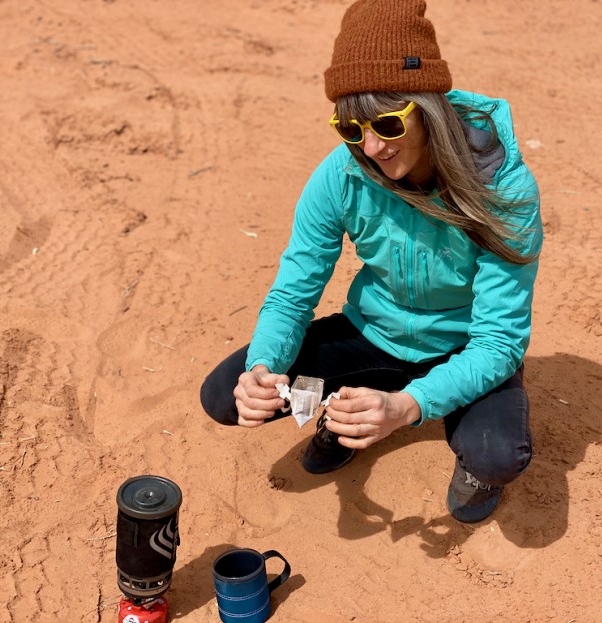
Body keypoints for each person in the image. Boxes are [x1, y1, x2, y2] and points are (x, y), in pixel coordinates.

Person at [200, 0, 542, 524]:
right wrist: (263, 368)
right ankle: (348, 417)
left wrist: (410, 406)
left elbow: (499, 340)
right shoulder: (341, 174)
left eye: (387, 121)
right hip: (372, 334)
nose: (373, 146)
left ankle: (413, 424)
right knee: (227, 394)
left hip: (465, 343)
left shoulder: (504, 187)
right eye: (352, 128)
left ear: (426, 105)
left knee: (496, 455)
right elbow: (294, 292)